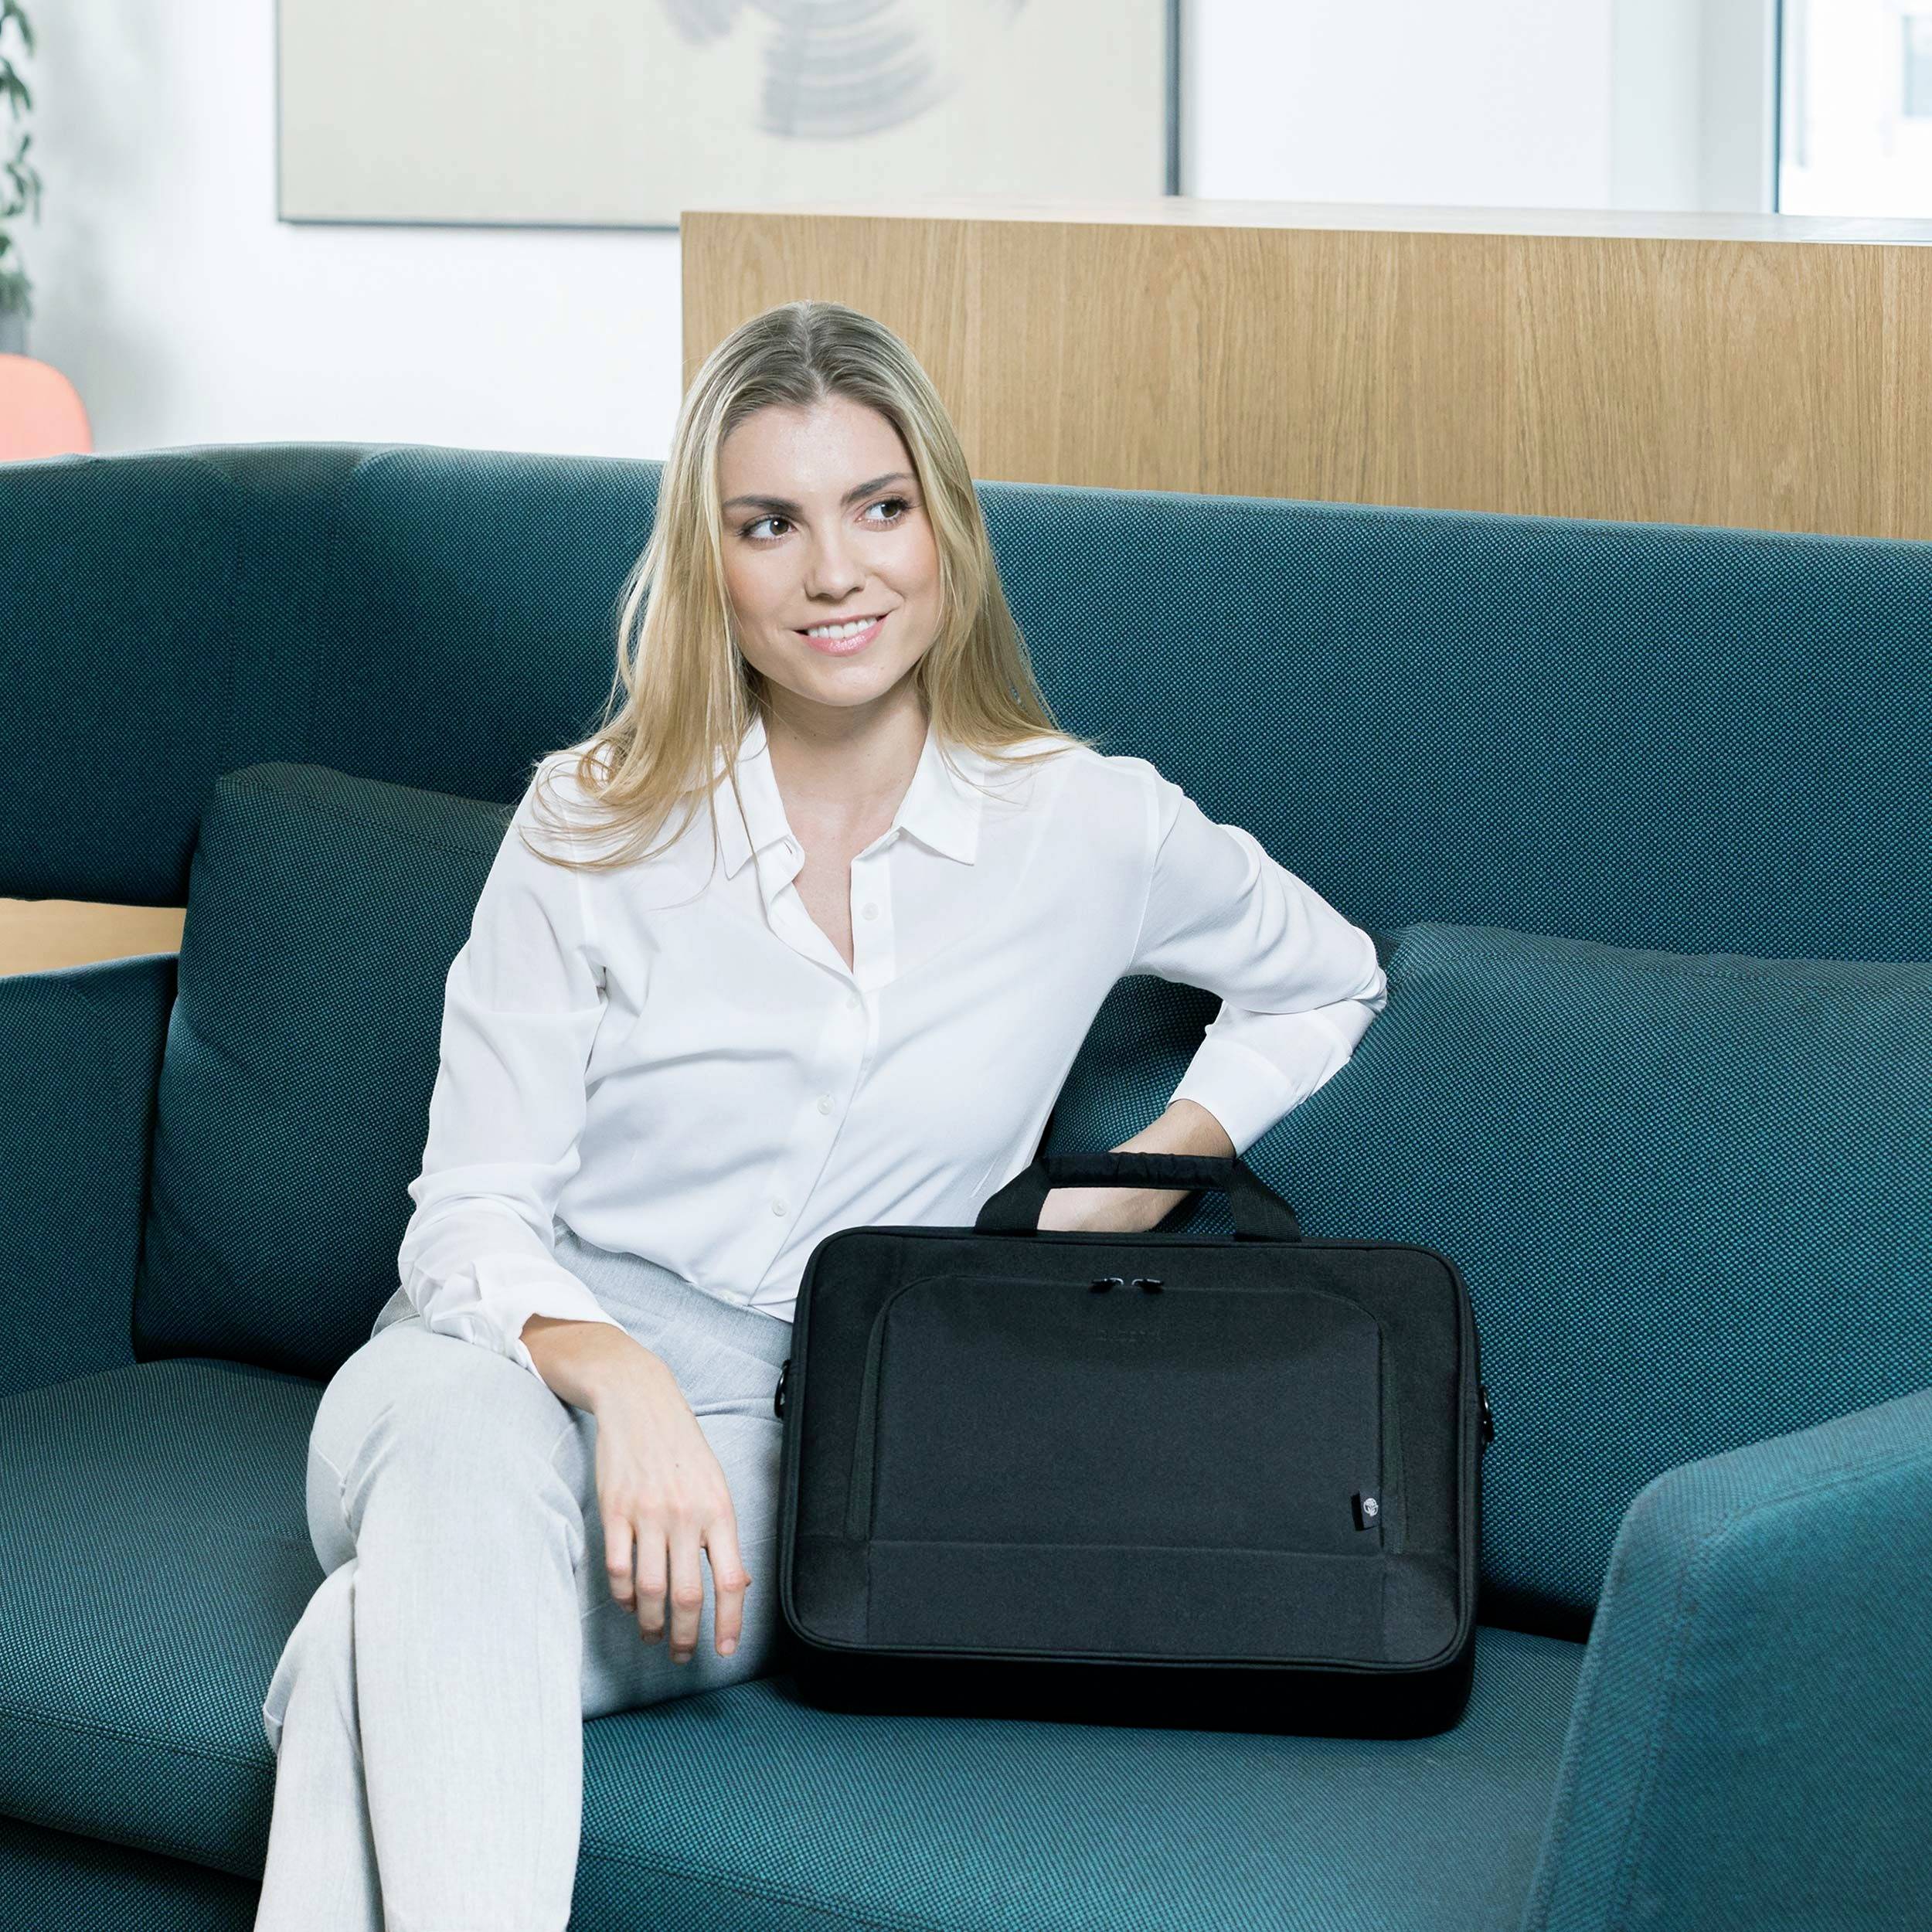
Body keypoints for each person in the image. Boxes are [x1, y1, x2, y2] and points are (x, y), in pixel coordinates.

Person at [250, 298, 1390, 1930]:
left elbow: (1326, 983)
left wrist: (1121, 1194)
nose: (834, 572)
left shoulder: (1083, 825)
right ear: (709, 561)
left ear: (944, 526)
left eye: (878, 506)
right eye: (767, 523)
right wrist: (615, 1373)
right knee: (457, 1473)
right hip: (489, 1362)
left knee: (377, 1640)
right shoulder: (591, 820)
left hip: (819, 1431)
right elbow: (469, 1216)